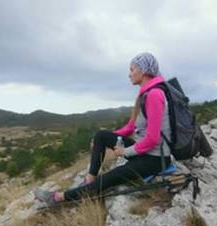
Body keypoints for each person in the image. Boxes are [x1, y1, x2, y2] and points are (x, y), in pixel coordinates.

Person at [34, 52, 171, 207]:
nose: (129, 74)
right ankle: (89, 181)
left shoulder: (154, 94)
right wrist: (105, 139)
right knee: (101, 135)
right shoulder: (145, 94)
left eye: (132, 69)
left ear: (144, 70)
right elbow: (130, 127)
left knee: (111, 177)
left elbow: (153, 138)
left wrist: (125, 152)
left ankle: (57, 198)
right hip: (144, 153)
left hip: (155, 160)